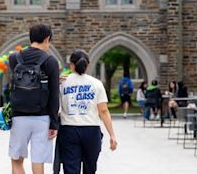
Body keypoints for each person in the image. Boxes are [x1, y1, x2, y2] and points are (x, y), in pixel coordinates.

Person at [8, 24, 59, 174]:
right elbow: (54, 94)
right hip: (42, 118)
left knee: (17, 161)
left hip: (18, 117)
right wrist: (54, 124)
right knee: (38, 161)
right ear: (47, 38)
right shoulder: (50, 61)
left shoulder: (14, 58)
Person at [59, 50, 117, 174]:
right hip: (91, 131)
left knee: (70, 169)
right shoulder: (96, 84)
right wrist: (112, 134)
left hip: (69, 130)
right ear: (87, 64)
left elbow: (57, 109)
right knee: (90, 169)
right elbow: (103, 111)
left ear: (71, 65)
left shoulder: (62, 83)